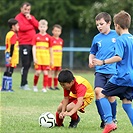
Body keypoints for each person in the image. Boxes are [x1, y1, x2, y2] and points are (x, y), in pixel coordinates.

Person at [93, 10, 133, 133]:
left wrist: (102, 62)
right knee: (126, 104)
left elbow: (118, 57)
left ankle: (109, 122)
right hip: (131, 77)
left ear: (116, 25)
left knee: (101, 94)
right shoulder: (132, 38)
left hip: (121, 76)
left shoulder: (121, 40)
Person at [89, 12, 118, 128]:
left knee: (111, 96)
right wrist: (91, 60)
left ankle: (113, 119)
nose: (99, 27)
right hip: (100, 71)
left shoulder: (117, 35)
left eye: (101, 24)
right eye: (97, 25)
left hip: (113, 71)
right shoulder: (96, 38)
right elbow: (92, 52)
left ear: (109, 23)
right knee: (98, 92)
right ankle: (105, 120)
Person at [15, 2, 38, 90]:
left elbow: (37, 25)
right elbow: (22, 28)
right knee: (26, 64)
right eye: (25, 9)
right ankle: (23, 83)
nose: (27, 11)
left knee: (30, 64)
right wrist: (32, 27)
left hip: (33, 44)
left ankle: (29, 83)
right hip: (24, 44)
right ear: (21, 9)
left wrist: (31, 20)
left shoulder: (31, 17)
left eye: (28, 10)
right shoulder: (18, 17)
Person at [32, 19, 53, 92]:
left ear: (46, 27)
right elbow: (34, 47)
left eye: (44, 27)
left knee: (45, 72)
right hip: (38, 58)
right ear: (38, 27)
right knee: (37, 72)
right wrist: (34, 57)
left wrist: (51, 60)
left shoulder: (49, 37)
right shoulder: (36, 36)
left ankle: (44, 88)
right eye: (41, 27)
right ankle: (34, 86)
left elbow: (51, 49)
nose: (42, 28)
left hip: (46, 59)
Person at [1, 18, 19, 92]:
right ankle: (8, 88)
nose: (18, 27)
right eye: (17, 25)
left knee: (7, 70)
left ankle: (4, 87)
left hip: (7, 53)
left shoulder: (8, 33)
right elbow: (12, 46)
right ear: (13, 26)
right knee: (10, 71)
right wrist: (11, 56)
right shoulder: (13, 34)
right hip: (11, 55)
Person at [48, 24, 64, 90]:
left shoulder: (61, 40)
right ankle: (49, 86)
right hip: (52, 59)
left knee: (57, 72)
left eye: (58, 31)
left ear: (60, 32)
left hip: (58, 59)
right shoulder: (51, 39)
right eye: (55, 31)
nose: (57, 32)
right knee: (51, 72)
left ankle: (55, 85)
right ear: (52, 31)